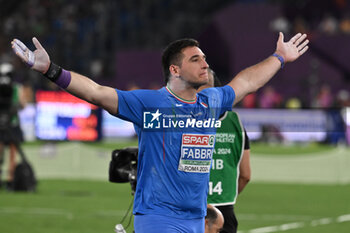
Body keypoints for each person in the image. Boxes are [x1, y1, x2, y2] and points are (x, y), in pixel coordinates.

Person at [11, 32, 308, 232]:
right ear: (175, 70)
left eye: (204, 58)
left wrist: (279, 57)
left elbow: (247, 82)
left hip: (195, 218)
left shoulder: (211, 102)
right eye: (195, 59)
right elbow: (97, 92)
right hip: (158, 217)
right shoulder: (150, 103)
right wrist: (51, 70)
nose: (205, 63)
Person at [198, 69, 251, 233]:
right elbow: (246, 175)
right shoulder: (235, 123)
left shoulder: (182, 119)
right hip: (225, 209)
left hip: (191, 209)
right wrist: (226, 197)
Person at [0, 63, 26, 189]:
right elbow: (23, 105)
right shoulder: (17, 88)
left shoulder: (15, 88)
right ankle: (10, 180)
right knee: (12, 154)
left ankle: (8, 179)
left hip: (6, 123)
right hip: (12, 123)